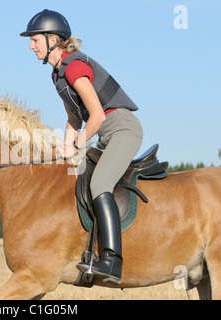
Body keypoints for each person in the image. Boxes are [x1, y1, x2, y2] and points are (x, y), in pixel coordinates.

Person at [20, 9, 143, 284]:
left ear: (53, 39)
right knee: (74, 178)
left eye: (35, 39)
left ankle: (112, 259)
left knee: (99, 184)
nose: (31, 45)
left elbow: (97, 115)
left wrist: (77, 144)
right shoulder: (57, 75)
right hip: (101, 134)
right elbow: (74, 118)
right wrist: (65, 151)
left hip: (121, 128)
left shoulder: (74, 66)